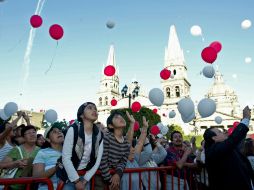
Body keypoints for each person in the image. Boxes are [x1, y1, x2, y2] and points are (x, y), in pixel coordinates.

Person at [204, 106, 254, 190]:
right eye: (220, 132)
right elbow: (233, 139)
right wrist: (246, 119)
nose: (225, 132)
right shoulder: (213, 150)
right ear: (214, 138)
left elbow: (237, 140)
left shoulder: (227, 147)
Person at [61, 102, 103, 190]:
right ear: (81, 115)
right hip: (69, 175)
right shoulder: (73, 130)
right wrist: (76, 181)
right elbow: (66, 158)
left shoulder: (99, 135)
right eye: (90, 108)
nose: (94, 110)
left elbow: (97, 161)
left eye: (95, 109)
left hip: (85, 176)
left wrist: (85, 180)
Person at [98, 111, 131, 190]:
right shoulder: (107, 138)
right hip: (100, 177)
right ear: (110, 125)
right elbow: (102, 161)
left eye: (121, 116)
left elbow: (123, 162)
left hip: (115, 177)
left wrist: (118, 174)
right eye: (116, 117)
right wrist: (110, 182)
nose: (121, 118)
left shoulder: (126, 142)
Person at [1, 125, 40, 190]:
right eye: (28, 133)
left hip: (31, 186)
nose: (32, 135)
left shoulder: (41, 151)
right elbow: (1, 165)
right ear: (23, 137)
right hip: (12, 186)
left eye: (34, 132)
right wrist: (15, 164)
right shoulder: (17, 149)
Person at [33, 122, 64, 190]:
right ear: (48, 139)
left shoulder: (71, 152)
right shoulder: (42, 153)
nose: (59, 132)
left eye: (60, 131)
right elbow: (36, 177)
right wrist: (56, 168)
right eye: (54, 132)